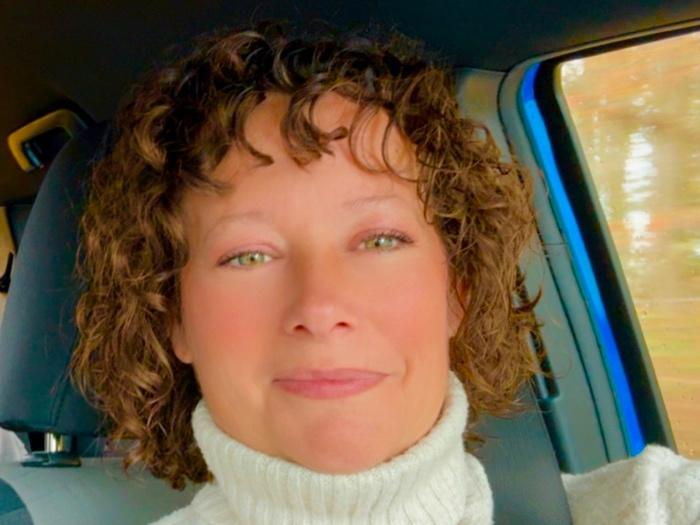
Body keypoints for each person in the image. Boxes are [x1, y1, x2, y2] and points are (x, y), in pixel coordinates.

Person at [70, 23, 700, 525]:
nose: (321, 306)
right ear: (174, 316)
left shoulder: (649, 507)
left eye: (379, 240)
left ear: (456, 292)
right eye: (248, 255)